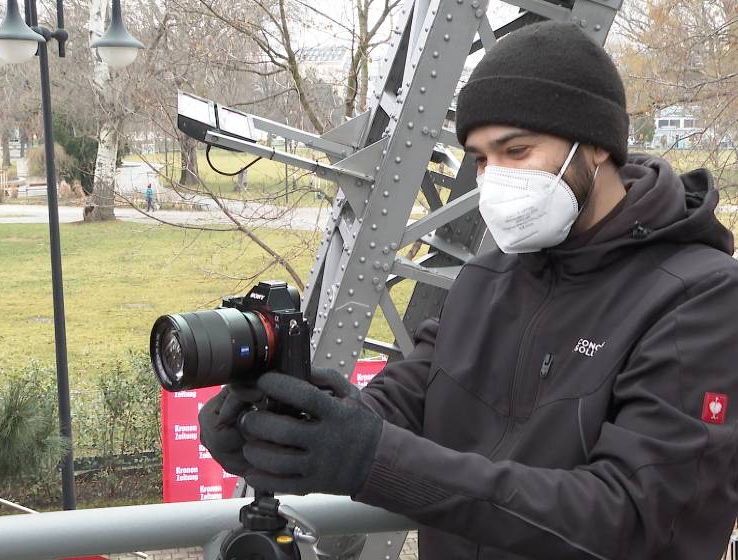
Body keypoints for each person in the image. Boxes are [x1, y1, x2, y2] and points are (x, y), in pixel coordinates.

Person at [199, 21, 738, 560]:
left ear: (595, 146)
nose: (495, 178)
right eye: (481, 158)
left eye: (517, 151)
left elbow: (636, 518)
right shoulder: (487, 278)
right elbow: (402, 404)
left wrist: (373, 458)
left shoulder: (700, 296)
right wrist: (289, 425)